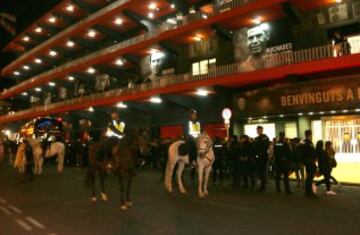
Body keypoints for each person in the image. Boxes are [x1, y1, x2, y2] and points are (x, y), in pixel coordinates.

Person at [298, 130, 318, 198]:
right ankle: (310, 193)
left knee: (308, 177)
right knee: (310, 178)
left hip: (306, 162)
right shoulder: (309, 142)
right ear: (310, 134)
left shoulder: (303, 142)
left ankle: (307, 192)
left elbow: (301, 152)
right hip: (310, 162)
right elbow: (312, 152)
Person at [253, 126, 270, 191]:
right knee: (259, 171)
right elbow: (254, 146)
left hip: (263, 156)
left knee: (262, 171)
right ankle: (261, 184)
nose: (257, 131)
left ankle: (262, 185)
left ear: (262, 130)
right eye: (257, 130)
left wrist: (260, 152)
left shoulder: (265, 138)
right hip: (257, 156)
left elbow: (265, 146)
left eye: (259, 130)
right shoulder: (256, 138)